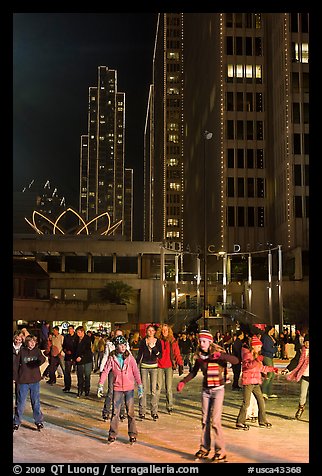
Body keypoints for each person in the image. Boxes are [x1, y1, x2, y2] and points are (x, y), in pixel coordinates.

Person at [177, 329, 239, 463]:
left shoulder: (218, 353)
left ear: (210, 342)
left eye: (204, 341)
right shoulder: (200, 356)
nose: (201, 343)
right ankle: (204, 448)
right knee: (205, 420)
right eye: (200, 340)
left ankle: (220, 452)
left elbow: (235, 361)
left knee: (215, 422)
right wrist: (183, 381)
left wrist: (222, 357)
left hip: (218, 390)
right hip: (206, 391)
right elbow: (194, 372)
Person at [97, 335, 143, 444]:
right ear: (116, 346)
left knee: (130, 412)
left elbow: (136, 371)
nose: (123, 347)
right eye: (121, 345)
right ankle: (112, 434)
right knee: (115, 412)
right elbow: (105, 371)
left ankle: (132, 434)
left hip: (129, 388)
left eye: (124, 345)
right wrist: (100, 384)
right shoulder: (112, 358)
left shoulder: (130, 358)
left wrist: (140, 385)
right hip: (117, 388)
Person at [236, 335, 276, 430]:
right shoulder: (247, 354)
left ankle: (262, 421)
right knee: (246, 403)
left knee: (261, 401)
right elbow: (247, 366)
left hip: (256, 382)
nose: (260, 348)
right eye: (258, 346)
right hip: (248, 382)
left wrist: (271, 369)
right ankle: (240, 422)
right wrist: (256, 360)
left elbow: (261, 368)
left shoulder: (257, 356)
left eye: (260, 347)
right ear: (253, 346)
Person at [13, 335, 46, 431]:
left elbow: (43, 359)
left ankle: (38, 421)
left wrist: (38, 362)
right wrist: (15, 377)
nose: (32, 343)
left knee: (35, 402)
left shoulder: (37, 351)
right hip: (22, 381)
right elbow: (15, 366)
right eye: (30, 342)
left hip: (34, 381)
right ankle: (16, 422)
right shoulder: (22, 351)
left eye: (34, 342)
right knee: (20, 403)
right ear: (26, 342)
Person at [99, 329, 128, 421]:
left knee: (122, 391)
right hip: (112, 370)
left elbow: (129, 356)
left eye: (120, 335)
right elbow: (106, 357)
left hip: (122, 370)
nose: (118, 337)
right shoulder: (110, 344)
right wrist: (102, 369)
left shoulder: (125, 344)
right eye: (117, 335)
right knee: (111, 391)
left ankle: (122, 412)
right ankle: (106, 411)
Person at [156, 323, 184, 415]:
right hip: (159, 366)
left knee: (168, 388)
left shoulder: (172, 341)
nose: (164, 332)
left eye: (166, 330)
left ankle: (169, 406)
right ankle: (154, 406)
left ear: (169, 331)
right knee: (158, 387)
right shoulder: (157, 341)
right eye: (163, 330)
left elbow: (177, 353)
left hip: (169, 366)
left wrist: (180, 364)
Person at [136, 324, 162, 420]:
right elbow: (139, 354)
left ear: (154, 332)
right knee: (143, 389)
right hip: (144, 366)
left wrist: (154, 348)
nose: (150, 332)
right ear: (146, 332)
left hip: (154, 367)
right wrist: (135, 364)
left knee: (153, 390)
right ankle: (142, 411)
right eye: (149, 330)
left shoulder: (158, 341)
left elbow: (160, 356)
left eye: (152, 330)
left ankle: (154, 412)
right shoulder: (143, 341)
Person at [286, 334, 309, 420]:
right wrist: (288, 369)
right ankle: (301, 408)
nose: (308, 344)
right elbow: (295, 361)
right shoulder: (301, 351)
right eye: (306, 342)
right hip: (305, 375)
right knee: (302, 394)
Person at [74, 326, 93, 397]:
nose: (78, 334)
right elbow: (74, 349)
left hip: (87, 359)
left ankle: (87, 389)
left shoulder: (87, 339)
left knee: (87, 375)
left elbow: (87, 349)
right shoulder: (76, 339)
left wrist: (81, 356)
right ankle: (80, 390)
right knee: (80, 376)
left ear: (82, 332)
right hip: (79, 360)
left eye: (79, 332)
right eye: (77, 333)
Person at [261, 325, 278, 399]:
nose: (273, 331)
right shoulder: (265, 337)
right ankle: (264, 392)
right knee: (270, 374)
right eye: (273, 330)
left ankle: (269, 392)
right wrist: (275, 349)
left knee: (272, 374)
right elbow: (267, 348)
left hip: (270, 356)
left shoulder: (270, 337)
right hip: (266, 356)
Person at [62, 324, 78, 392]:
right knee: (67, 372)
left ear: (73, 329)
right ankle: (67, 386)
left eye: (71, 329)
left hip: (75, 357)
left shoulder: (77, 337)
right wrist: (66, 351)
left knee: (79, 372)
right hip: (68, 357)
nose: (69, 330)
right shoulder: (66, 337)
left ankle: (80, 386)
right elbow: (64, 346)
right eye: (68, 329)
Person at [13, 332, 23, 411]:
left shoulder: (23, 348)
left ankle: (17, 404)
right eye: (16, 339)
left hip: (20, 372)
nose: (18, 341)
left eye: (19, 339)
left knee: (18, 390)